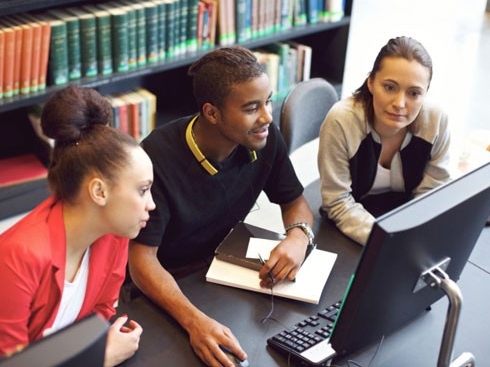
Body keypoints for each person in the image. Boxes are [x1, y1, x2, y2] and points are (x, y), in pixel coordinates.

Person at [128, 46, 314, 367]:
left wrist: (298, 236)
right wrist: (194, 322)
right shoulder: (156, 158)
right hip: (164, 288)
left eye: (268, 101)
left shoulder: (264, 136)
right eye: (252, 107)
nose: (267, 116)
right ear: (212, 113)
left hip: (220, 274)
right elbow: (141, 262)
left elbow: (296, 202)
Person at [0, 85, 156, 366]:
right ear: (99, 192)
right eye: (143, 190)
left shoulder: (113, 234)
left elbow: (99, 315)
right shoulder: (17, 256)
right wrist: (100, 358)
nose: (151, 204)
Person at [318, 36, 451, 245]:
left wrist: (411, 235)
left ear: (425, 94)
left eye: (414, 93)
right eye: (389, 87)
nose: (399, 103)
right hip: (350, 224)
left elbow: (432, 193)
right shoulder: (341, 121)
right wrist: (385, 242)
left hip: (403, 219)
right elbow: (337, 201)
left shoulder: (436, 121)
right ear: (371, 82)